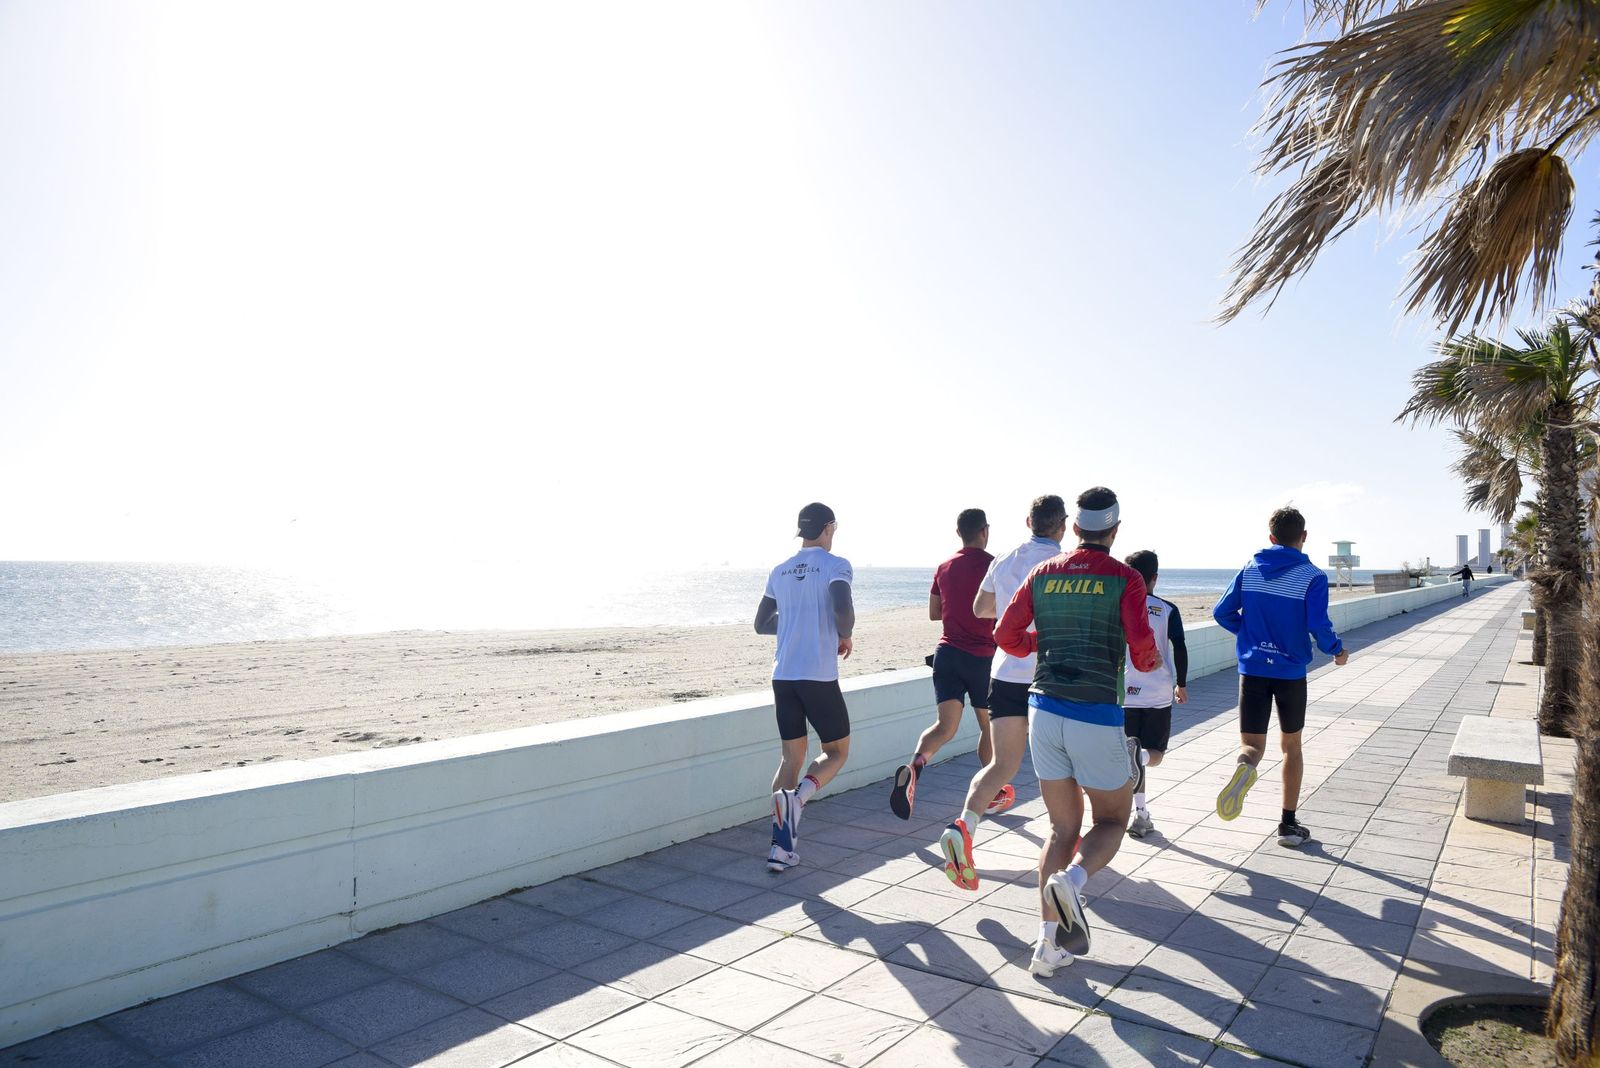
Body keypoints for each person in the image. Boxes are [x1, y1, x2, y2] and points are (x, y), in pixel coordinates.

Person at [993, 487, 1159, 976]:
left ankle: (1047, 946)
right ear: (1114, 529)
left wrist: (1039, 642)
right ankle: (1075, 881)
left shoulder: (1044, 572)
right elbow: (1144, 653)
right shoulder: (1125, 577)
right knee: (1110, 820)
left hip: (1042, 709)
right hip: (1095, 714)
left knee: (1061, 828)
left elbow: (1005, 635)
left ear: (1076, 527)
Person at [934, 495, 1067, 890]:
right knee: (1061, 764)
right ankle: (1066, 844)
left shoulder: (1004, 559)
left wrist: (1012, 606)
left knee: (1001, 765)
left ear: (1029, 521)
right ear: (1062, 525)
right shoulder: (1066, 563)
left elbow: (981, 608)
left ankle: (964, 827)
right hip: (1051, 674)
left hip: (1006, 672)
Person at [1212, 506, 1348, 849]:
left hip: (1252, 669)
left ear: (1271, 537)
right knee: (1291, 747)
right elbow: (1319, 624)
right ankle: (1287, 826)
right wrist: (1336, 650)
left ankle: (1246, 768)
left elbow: (1221, 611)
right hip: (1290, 673)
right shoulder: (1313, 576)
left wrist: (1248, 634)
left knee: (1252, 745)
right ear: (1303, 537)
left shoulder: (1251, 567)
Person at [754, 503, 855, 873]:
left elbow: (762, 623)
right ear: (829, 528)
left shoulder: (779, 570)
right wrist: (843, 634)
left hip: (783, 677)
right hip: (818, 676)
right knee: (837, 752)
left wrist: (795, 623)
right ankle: (799, 799)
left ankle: (780, 848)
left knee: (790, 759)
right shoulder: (836, 565)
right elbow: (843, 608)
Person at [890, 509, 1005, 819]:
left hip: (948, 654)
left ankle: (914, 767)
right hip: (982, 658)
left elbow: (934, 612)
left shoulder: (944, 566)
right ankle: (991, 793)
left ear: (958, 533)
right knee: (989, 727)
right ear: (985, 531)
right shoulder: (994, 565)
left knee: (944, 726)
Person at [1121, 550, 1188, 839]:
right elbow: (1180, 648)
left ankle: (1140, 815)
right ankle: (1144, 762)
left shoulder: (1118, 607)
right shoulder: (1167, 609)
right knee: (1152, 755)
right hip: (1158, 691)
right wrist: (1181, 684)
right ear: (1155, 578)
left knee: (1129, 758)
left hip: (1125, 692)